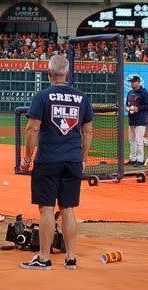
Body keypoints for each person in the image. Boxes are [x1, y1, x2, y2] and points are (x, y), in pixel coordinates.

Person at [19, 54, 93, 270]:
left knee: (47, 209)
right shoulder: (82, 97)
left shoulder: (43, 96)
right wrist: (83, 159)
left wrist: (26, 158)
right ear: (67, 72)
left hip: (49, 159)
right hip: (72, 159)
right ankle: (71, 258)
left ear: (49, 73)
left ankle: (43, 258)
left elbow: (32, 128)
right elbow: (87, 131)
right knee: (68, 209)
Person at [125, 75, 148, 166]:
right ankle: (132, 159)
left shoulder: (143, 92)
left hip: (141, 120)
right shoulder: (130, 93)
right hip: (132, 119)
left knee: (139, 140)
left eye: (133, 81)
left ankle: (140, 160)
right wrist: (128, 108)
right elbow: (127, 104)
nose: (132, 83)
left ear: (138, 82)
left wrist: (138, 108)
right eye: (131, 82)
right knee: (131, 140)